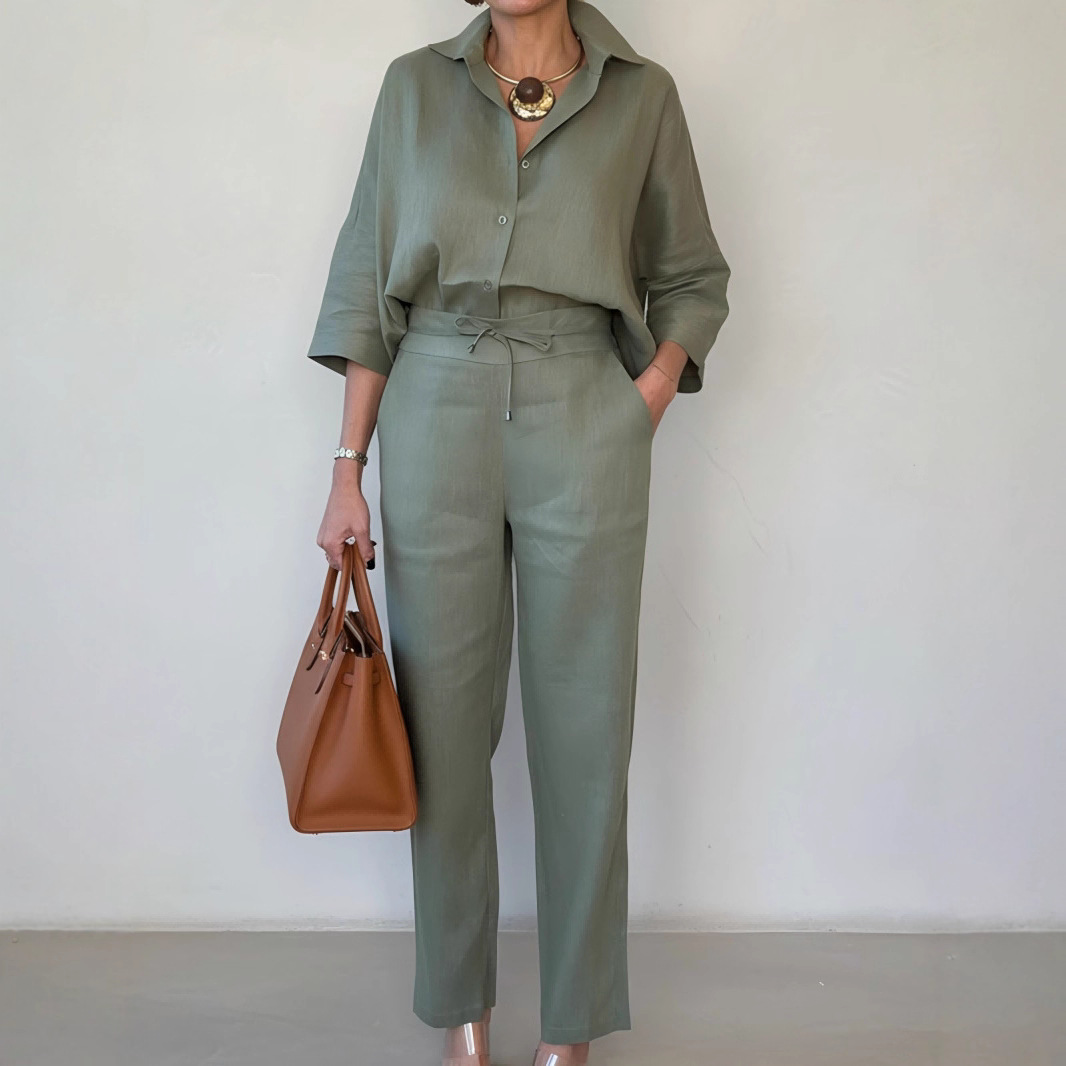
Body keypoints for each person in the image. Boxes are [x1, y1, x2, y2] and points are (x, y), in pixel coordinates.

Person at [307, 1, 730, 1062]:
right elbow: (366, 285)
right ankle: (463, 1013)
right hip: (434, 404)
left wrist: (641, 401)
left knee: (586, 728)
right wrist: (347, 468)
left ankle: (573, 1027)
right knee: (442, 730)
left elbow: (693, 278)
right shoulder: (413, 89)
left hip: (583, 407)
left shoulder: (642, 97)